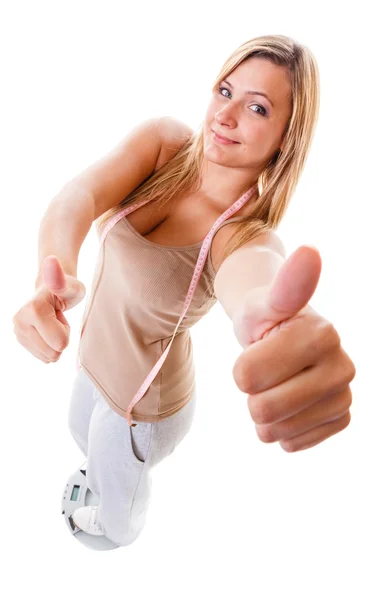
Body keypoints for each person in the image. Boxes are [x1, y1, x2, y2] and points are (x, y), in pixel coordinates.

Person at [12, 34, 356, 548]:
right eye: (225, 90)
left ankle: (115, 525)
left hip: (145, 407)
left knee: (117, 479)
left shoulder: (243, 235)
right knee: (81, 431)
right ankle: (103, 476)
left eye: (257, 107)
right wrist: (50, 278)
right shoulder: (163, 146)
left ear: (286, 136)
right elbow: (78, 196)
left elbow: (254, 282)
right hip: (95, 359)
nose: (226, 114)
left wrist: (273, 326)